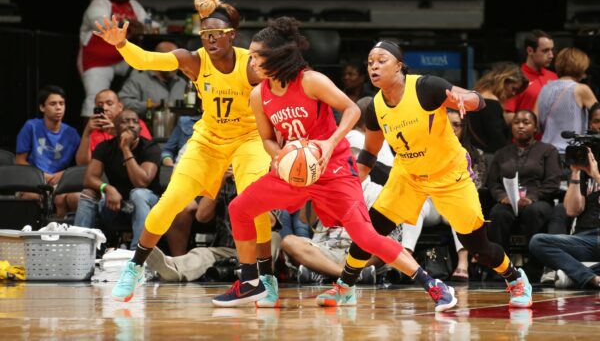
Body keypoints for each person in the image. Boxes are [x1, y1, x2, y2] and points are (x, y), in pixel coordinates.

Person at [212, 18, 457, 312]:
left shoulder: (309, 80)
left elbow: (352, 110)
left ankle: (433, 284)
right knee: (240, 207)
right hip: (297, 170)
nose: (250, 62)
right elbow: (266, 138)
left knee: (365, 235)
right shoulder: (258, 95)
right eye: (249, 56)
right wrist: (279, 154)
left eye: (256, 56)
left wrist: (329, 143)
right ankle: (252, 280)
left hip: (333, 168)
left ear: (276, 56)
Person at [93, 0, 274, 303]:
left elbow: (283, 88)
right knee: (169, 201)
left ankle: (265, 276)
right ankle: (134, 268)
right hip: (208, 140)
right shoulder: (194, 59)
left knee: (253, 201)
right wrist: (122, 45)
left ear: (231, 35)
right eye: (205, 35)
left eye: (216, 34)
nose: (210, 39)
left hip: (247, 140)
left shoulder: (251, 64)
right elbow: (148, 60)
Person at [340, 40, 533, 309]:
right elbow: (368, 156)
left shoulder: (425, 86)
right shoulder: (374, 108)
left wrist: (466, 99)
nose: (374, 66)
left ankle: (514, 277)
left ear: (399, 66)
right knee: (368, 231)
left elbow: (476, 100)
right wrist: (347, 188)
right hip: (408, 176)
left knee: (478, 247)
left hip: (448, 175)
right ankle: (343, 286)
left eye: (381, 60)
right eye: (370, 62)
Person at [402, 109, 487, 282]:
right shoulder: (423, 150)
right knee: (414, 208)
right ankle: (406, 260)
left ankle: (462, 264)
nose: (452, 128)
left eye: (457, 125)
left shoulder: (475, 154)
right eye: (448, 123)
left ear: (464, 128)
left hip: (454, 201)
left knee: (460, 209)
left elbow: (476, 186)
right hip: (430, 202)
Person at [529, 106, 600, 289]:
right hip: (586, 238)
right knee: (538, 242)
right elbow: (572, 210)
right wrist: (576, 173)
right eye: (597, 121)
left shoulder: (593, 170)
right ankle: (590, 277)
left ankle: (575, 274)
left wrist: (597, 176)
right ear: (590, 124)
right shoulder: (586, 161)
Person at [74, 110, 161, 250]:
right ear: (115, 127)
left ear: (140, 127)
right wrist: (108, 188)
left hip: (148, 207)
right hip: (117, 205)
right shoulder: (105, 147)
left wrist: (125, 148)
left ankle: (137, 255)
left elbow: (141, 182)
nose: (131, 125)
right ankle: (79, 251)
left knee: (138, 193)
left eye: (134, 121)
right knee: (88, 193)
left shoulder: (150, 148)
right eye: (125, 121)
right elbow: (89, 178)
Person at [486, 110, 561, 257]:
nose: (520, 126)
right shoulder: (501, 153)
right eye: (516, 122)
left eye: (526, 123)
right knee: (498, 213)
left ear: (535, 128)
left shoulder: (548, 150)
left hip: (537, 200)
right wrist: (502, 197)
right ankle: (500, 265)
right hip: (508, 201)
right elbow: (493, 183)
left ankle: (535, 264)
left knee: (534, 212)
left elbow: (553, 182)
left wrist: (532, 197)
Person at [78, 0, 147, 117]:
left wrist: (142, 27)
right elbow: (99, 23)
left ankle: (131, 127)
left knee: (144, 82)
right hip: (99, 59)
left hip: (125, 59)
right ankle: (91, 136)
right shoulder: (100, 2)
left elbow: (149, 24)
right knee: (95, 98)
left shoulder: (134, 5)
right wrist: (128, 24)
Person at [15, 85, 80, 218]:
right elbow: (20, 160)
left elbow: (80, 164)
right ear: (42, 107)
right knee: (31, 197)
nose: (58, 107)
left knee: (72, 198)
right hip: (33, 181)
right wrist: (42, 175)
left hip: (61, 182)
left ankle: (60, 231)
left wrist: (64, 174)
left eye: (61, 103)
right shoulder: (31, 126)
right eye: (53, 104)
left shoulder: (72, 133)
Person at [535, 47, 597, 155]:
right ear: (581, 66)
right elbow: (598, 115)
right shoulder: (581, 89)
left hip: (545, 153)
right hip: (570, 154)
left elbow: (535, 123)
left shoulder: (545, 88)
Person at [75, 89, 152, 165]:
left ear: (120, 106)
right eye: (100, 105)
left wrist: (116, 132)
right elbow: (82, 164)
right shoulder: (93, 131)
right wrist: (86, 133)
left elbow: (147, 153)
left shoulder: (134, 123)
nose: (105, 108)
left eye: (109, 103)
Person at [468, 63, 528, 153]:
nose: (513, 94)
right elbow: (498, 141)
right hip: (487, 158)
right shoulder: (491, 103)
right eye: (513, 88)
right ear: (504, 81)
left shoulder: (476, 96)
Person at [118, 41, 188, 118]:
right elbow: (124, 102)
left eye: (177, 61)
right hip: (147, 126)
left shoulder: (182, 83)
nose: (175, 65)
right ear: (157, 59)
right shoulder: (138, 80)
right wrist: (150, 106)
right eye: (170, 61)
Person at [504, 30, 557, 124]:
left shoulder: (554, 77)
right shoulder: (515, 78)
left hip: (552, 137)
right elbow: (508, 115)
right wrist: (528, 126)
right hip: (527, 137)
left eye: (551, 50)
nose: (551, 55)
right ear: (530, 51)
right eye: (545, 51)